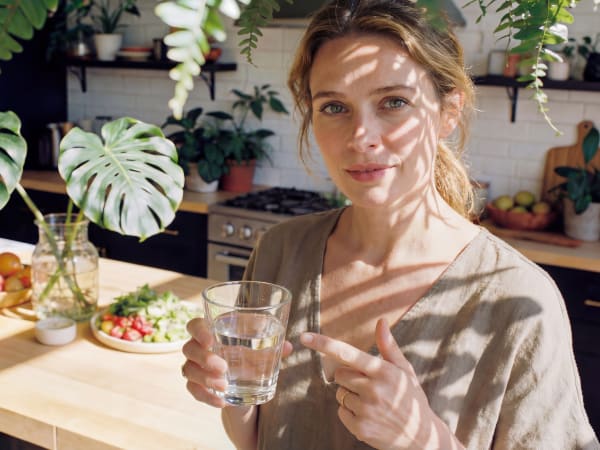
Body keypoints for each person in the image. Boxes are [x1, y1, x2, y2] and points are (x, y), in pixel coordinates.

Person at [181, 0, 600, 448]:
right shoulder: (280, 250)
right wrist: (234, 390)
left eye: (394, 102)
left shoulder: (517, 301)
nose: (361, 137)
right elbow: (257, 439)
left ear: (448, 111)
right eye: (334, 107)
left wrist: (423, 439)